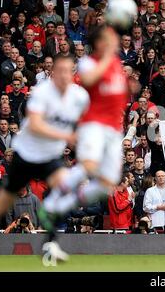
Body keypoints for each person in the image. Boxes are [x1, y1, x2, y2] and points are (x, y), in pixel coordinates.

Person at [0, 55, 89, 261]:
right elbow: (36, 125)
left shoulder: (79, 96)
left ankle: (51, 245)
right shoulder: (42, 93)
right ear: (53, 73)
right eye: (60, 70)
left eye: (68, 70)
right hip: (26, 154)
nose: (64, 74)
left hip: (50, 156)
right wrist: (67, 136)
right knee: (0, 206)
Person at [38, 25, 128, 259]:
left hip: (111, 129)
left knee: (107, 183)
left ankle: (60, 203)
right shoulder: (90, 62)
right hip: (93, 125)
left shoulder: (116, 65)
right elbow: (87, 79)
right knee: (88, 166)